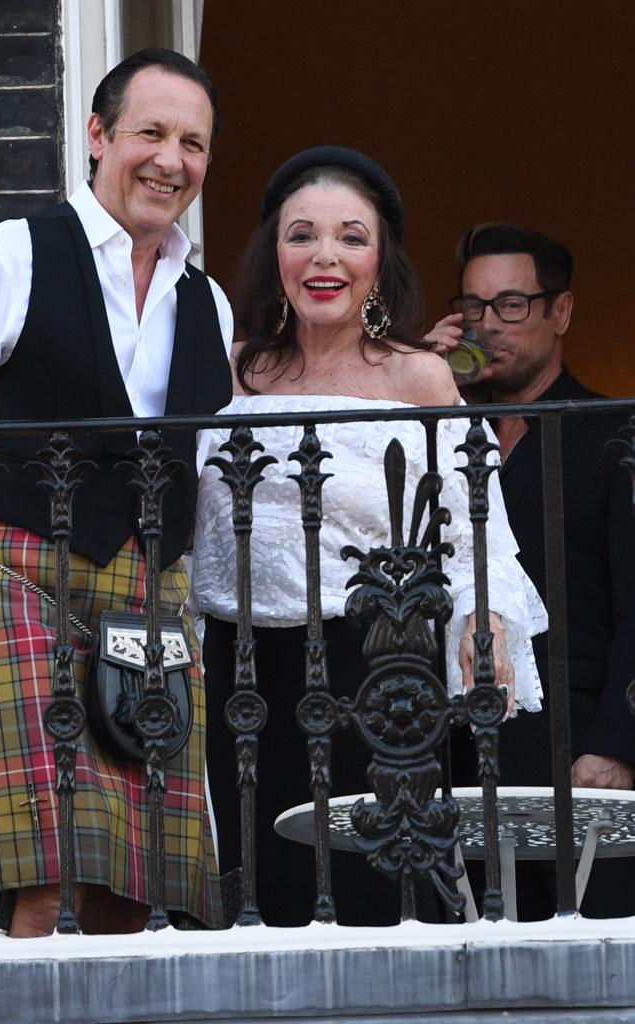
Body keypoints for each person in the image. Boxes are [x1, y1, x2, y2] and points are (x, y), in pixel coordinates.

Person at [0, 48, 233, 937]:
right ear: (96, 135)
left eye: (192, 142)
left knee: (136, 890)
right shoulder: (1, 260)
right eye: (149, 132)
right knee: (46, 882)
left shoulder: (211, 303)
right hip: (15, 587)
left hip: (150, 601)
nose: (170, 159)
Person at [191, 148, 547, 927]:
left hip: (377, 669)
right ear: (272, 256)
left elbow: (471, 524)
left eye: (351, 237)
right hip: (242, 672)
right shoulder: (226, 372)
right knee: (266, 890)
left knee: (377, 891)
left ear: (379, 261)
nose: (325, 257)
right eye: (302, 236)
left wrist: (483, 619)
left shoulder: (416, 377)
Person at [426, 223, 635, 918]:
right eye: (475, 307)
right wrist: (417, 381)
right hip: (454, 756)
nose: (489, 326)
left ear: (561, 312)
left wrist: (614, 746)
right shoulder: (435, 436)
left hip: (577, 757)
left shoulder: (614, 435)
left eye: (511, 305)